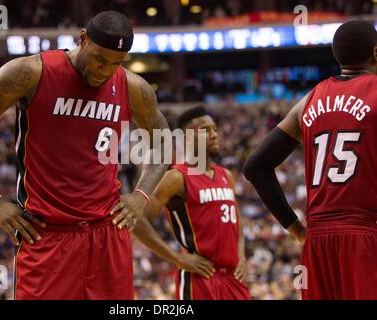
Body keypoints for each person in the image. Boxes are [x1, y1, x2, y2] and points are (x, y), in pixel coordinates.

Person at [0, 11, 169, 300]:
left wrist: (141, 195)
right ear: (83, 39)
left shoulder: (134, 88)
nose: (105, 70)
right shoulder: (31, 72)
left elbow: (164, 142)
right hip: (46, 234)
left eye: (116, 63)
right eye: (100, 59)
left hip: (107, 234)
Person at [243, 20, 377, 300]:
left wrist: (296, 228)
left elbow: (256, 167)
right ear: (375, 53)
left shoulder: (309, 101)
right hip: (365, 236)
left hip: (316, 242)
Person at [134, 106, 250, 300]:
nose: (214, 135)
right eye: (205, 130)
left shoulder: (226, 175)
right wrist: (176, 257)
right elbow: (137, 219)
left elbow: (237, 221)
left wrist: (241, 255)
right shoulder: (175, 178)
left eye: (214, 129)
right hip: (200, 278)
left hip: (233, 278)